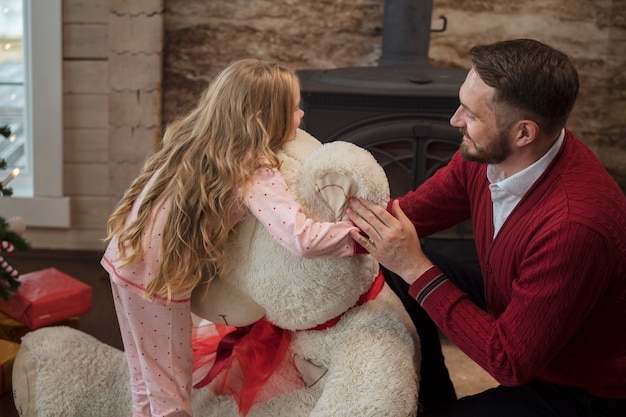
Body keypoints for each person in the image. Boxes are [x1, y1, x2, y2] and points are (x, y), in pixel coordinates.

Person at [347, 38, 626, 416]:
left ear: (523, 133)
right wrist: (311, 232)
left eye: (471, 114)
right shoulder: (490, 157)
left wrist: (415, 267)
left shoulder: (574, 224)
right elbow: (410, 214)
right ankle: (433, 399)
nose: (454, 120)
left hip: (582, 389)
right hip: (518, 310)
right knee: (390, 265)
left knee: (408, 269)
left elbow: (509, 362)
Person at [101, 58, 363, 417]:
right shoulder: (252, 169)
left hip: (124, 260)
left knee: (146, 375)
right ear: (266, 117)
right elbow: (300, 237)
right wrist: (362, 235)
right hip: (156, 280)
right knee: (170, 386)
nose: (301, 116)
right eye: (294, 108)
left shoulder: (196, 141)